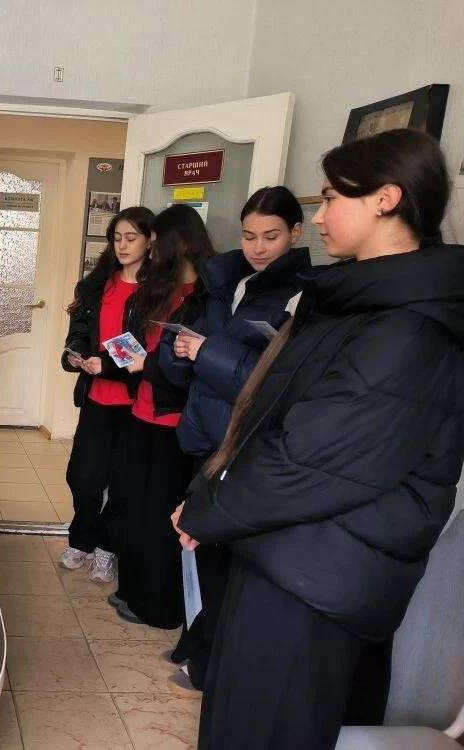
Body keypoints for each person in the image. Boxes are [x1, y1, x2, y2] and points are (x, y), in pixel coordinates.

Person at [173, 128, 464, 750]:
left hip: (319, 577)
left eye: (331, 198)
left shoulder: (408, 330)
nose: (321, 215)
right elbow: (274, 417)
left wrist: (210, 507)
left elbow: (308, 463)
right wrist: (212, 491)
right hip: (287, 554)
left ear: (386, 198)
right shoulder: (358, 301)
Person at [158, 186, 311, 695]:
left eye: (271, 236)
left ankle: (209, 661)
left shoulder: (300, 295)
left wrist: (207, 353)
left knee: (222, 558)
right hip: (205, 435)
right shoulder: (227, 281)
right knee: (195, 547)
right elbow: (193, 360)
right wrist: (179, 350)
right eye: (249, 235)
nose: (258, 247)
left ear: (295, 233)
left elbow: (276, 387)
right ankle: (195, 643)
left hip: (244, 444)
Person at [108, 203, 215, 628]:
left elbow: (191, 368)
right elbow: (142, 342)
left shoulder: (207, 298)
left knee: (162, 518)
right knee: (135, 509)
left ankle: (159, 606)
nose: (150, 252)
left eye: (155, 244)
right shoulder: (159, 289)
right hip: (141, 413)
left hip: (175, 425)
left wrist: (146, 365)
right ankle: (133, 591)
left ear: (180, 244)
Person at [58, 207, 156, 582]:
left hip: (136, 402)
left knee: (123, 481)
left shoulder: (157, 292)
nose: (123, 246)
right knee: (83, 476)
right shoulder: (95, 286)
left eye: (131, 238)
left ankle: (106, 548)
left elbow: (148, 348)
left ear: (150, 242)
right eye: (117, 239)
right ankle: (82, 540)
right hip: (97, 398)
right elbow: (79, 331)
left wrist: (109, 364)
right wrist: (76, 354)